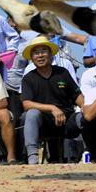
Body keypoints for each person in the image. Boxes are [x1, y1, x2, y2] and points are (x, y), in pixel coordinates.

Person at [21, 36, 85, 165]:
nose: (40, 55)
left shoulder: (62, 73)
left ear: (51, 54)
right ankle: (32, 157)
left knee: (84, 116)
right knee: (31, 114)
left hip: (66, 120)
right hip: (43, 124)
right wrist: (52, 108)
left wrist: (85, 107)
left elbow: (76, 95)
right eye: (36, 52)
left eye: (44, 51)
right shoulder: (28, 78)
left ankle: (92, 154)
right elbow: (26, 104)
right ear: (32, 57)